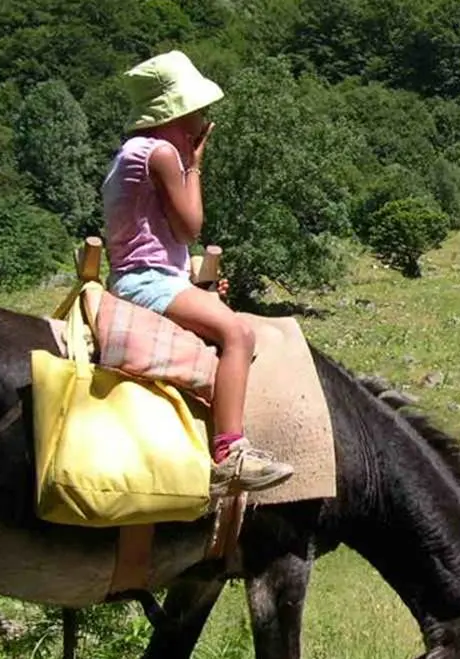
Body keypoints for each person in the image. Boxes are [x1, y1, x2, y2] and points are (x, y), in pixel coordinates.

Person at [100, 50, 293, 495]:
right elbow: (190, 226)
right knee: (239, 335)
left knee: (219, 316)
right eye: (197, 110)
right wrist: (195, 163)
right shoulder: (164, 153)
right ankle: (230, 452)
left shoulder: (130, 152)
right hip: (147, 280)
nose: (203, 117)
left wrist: (195, 284)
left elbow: (156, 237)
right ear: (176, 113)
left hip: (144, 275)